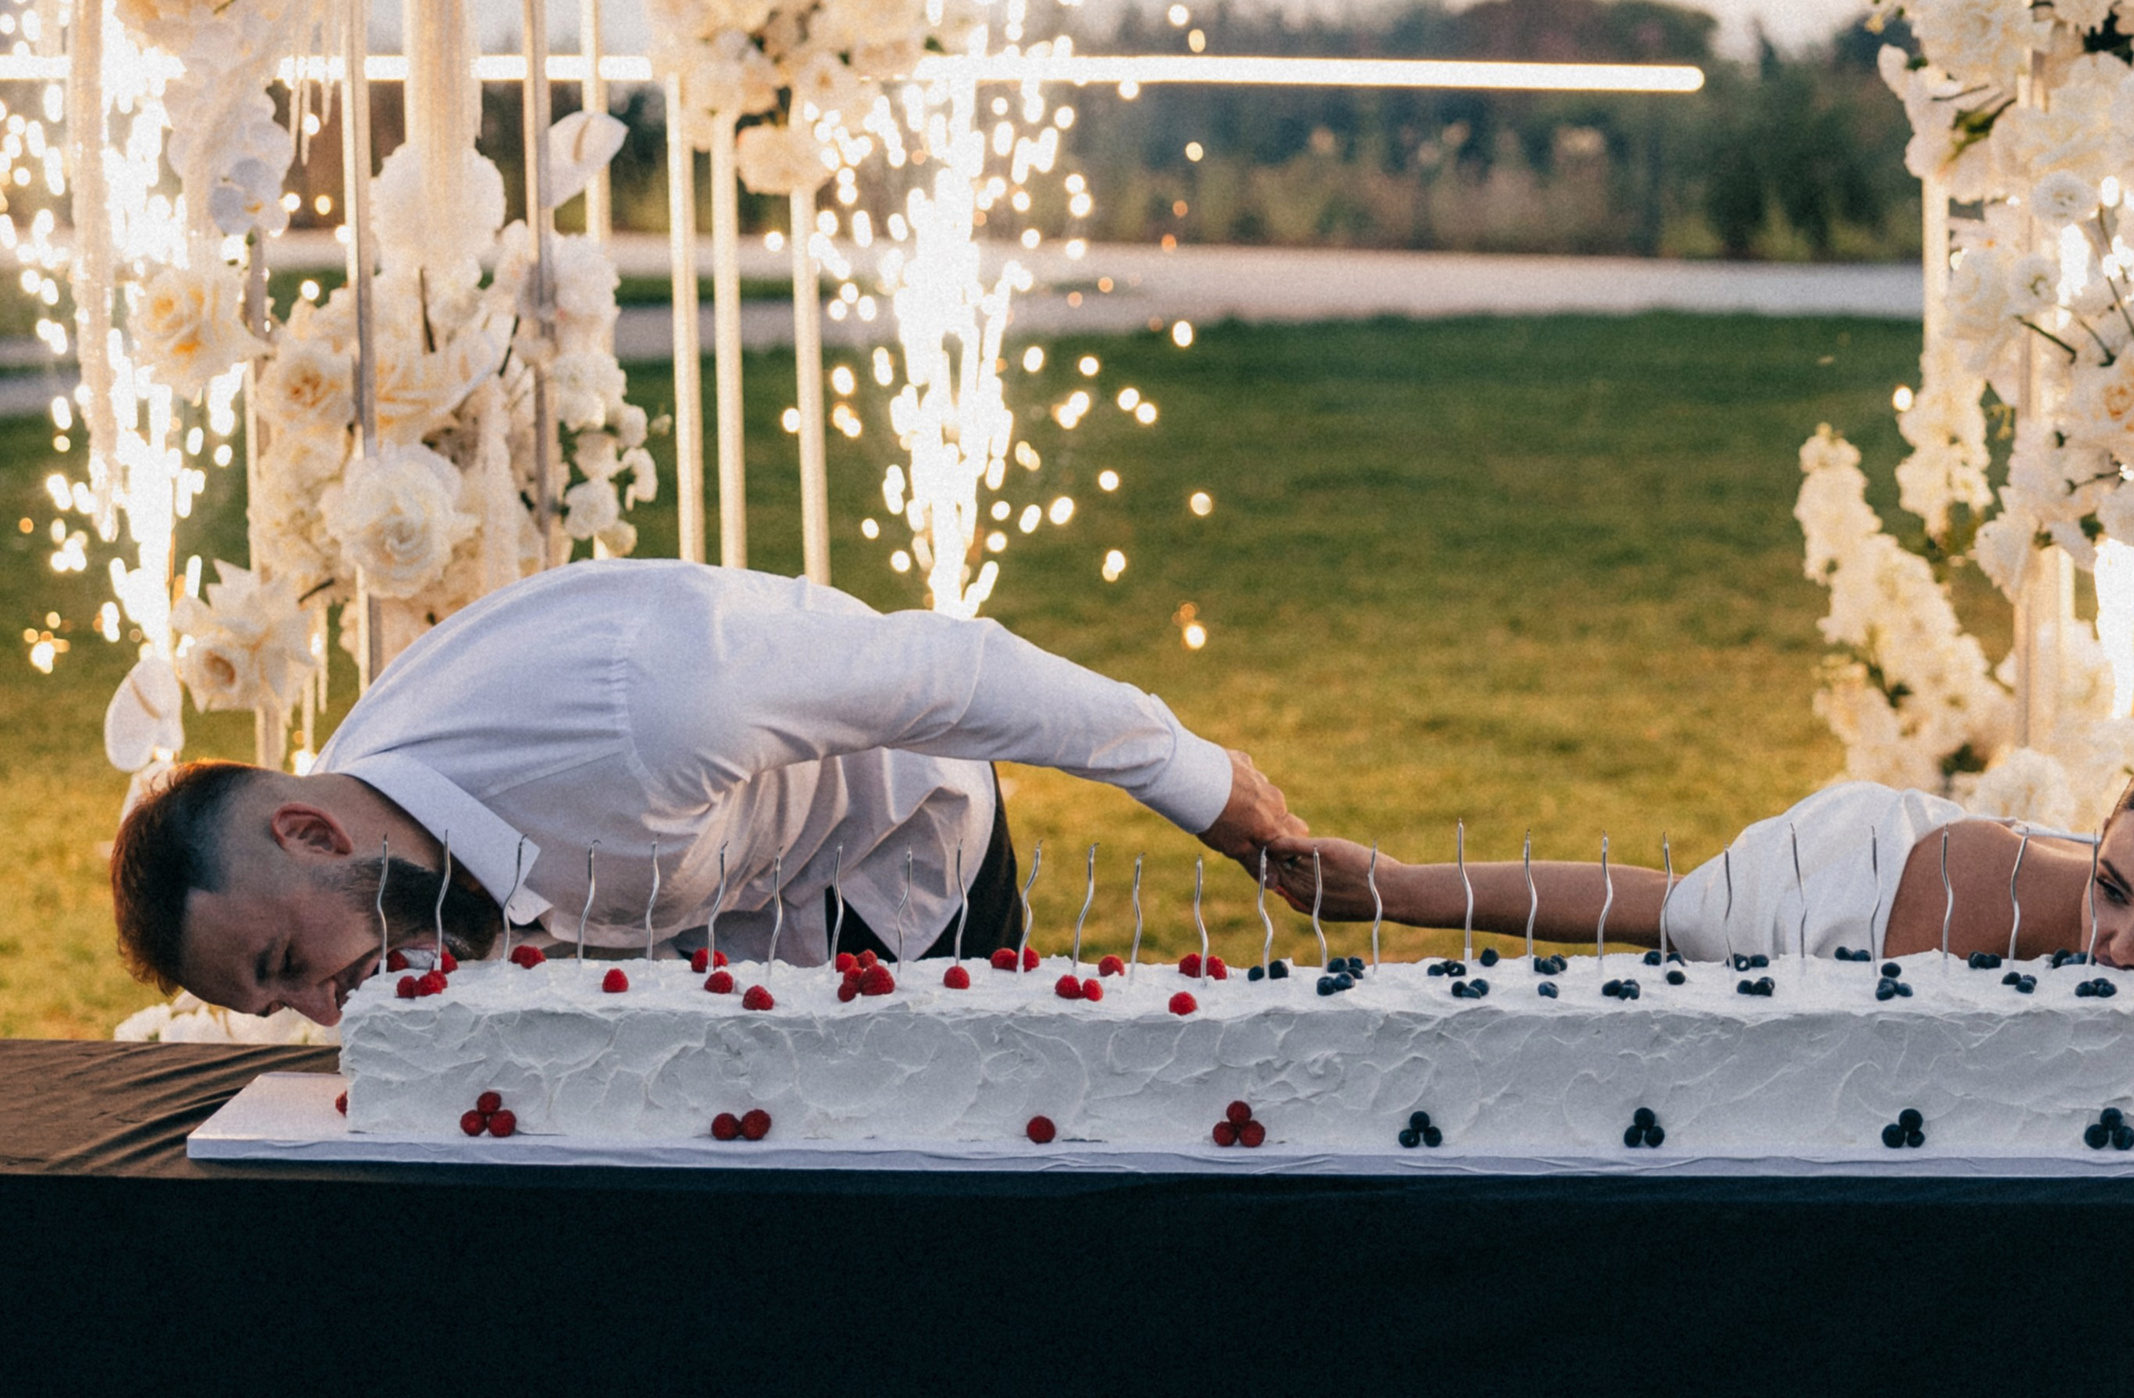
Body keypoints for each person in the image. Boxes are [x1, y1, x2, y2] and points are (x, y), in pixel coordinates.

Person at [112, 558, 1304, 1026]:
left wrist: (1204, 787)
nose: (328, 1013)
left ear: (313, 829)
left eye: (286, 967)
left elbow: (954, 669)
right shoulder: (382, 839)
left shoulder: (648, 718)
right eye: (281, 1006)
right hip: (701, 905)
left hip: (886, 853)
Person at [1263, 736, 2134, 1056]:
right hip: (1854, 880)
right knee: (1692, 921)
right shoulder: (1911, 914)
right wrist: (1399, 889)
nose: (2116, 946)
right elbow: (1655, 911)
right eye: (2112, 889)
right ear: (2096, 845)